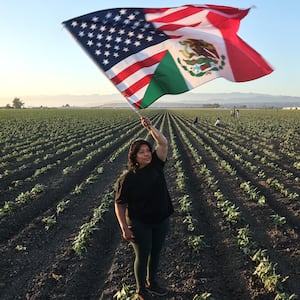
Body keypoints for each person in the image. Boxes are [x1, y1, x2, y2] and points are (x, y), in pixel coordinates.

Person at [115, 116, 174, 300]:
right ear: (134, 156)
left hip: (161, 219)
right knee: (142, 254)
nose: (147, 154)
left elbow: (163, 143)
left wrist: (150, 128)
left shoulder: (157, 165)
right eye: (142, 152)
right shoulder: (128, 178)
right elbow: (120, 204)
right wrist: (124, 227)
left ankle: (152, 282)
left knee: (155, 252)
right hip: (140, 223)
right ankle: (141, 290)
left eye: (148, 151)